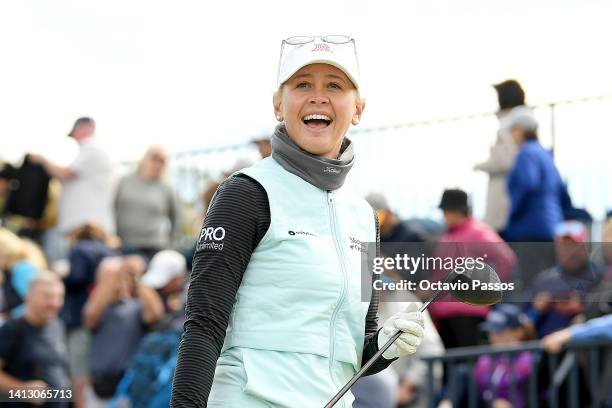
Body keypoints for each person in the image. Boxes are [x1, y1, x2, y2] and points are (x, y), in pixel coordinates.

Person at [171, 35, 426, 407]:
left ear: (358, 108)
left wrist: (387, 343)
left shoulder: (363, 217)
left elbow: (356, 351)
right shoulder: (246, 192)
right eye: (303, 84)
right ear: (279, 104)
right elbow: (203, 324)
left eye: (334, 86)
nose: (318, 96)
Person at [427, 189, 516, 349]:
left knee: (469, 366)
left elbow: (506, 259)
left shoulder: (478, 231)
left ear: (458, 211)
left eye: (447, 211)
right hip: (444, 314)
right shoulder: (446, 235)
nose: (444, 215)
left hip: (468, 314)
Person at [82, 255, 164, 406]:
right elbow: (90, 316)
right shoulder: (98, 308)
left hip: (127, 387)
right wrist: (113, 276)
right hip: (98, 386)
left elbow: (155, 313)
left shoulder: (134, 307)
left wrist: (135, 278)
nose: (118, 283)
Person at [29, 117, 116, 242]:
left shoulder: (93, 149)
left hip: (88, 228)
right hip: (83, 226)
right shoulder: (89, 151)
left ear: (84, 128)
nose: (74, 137)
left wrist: (42, 160)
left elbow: (65, 173)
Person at [0, 273, 70, 407]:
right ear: (28, 298)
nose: (54, 303)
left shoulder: (57, 326)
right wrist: (22, 390)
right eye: (47, 296)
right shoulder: (12, 329)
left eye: (59, 297)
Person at [526, 221, 602, 338]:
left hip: (585, 349)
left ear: (586, 247)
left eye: (574, 245)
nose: (570, 251)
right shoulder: (543, 280)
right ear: (557, 248)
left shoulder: (600, 277)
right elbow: (521, 324)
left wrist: (583, 310)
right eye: (565, 246)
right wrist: (536, 310)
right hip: (545, 350)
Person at [474, 79, 525, 234]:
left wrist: (480, 166)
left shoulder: (508, 125)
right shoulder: (524, 122)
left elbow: (506, 161)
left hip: (504, 200)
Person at [115, 145, 180, 259]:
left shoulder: (166, 189)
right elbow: (111, 208)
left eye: (162, 161)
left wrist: (171, 248)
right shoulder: (124, 182)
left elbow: (177, 220)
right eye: (154, 159)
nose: (157, 164)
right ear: (143, 160)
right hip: (123, 245)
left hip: (153, 247)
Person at [473, 304, 536, 408]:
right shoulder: (486, 358)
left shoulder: (528, 357)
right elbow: (480, 382)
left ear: (518, 332)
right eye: (490, 332)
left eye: (499, 332)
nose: (493, 337)